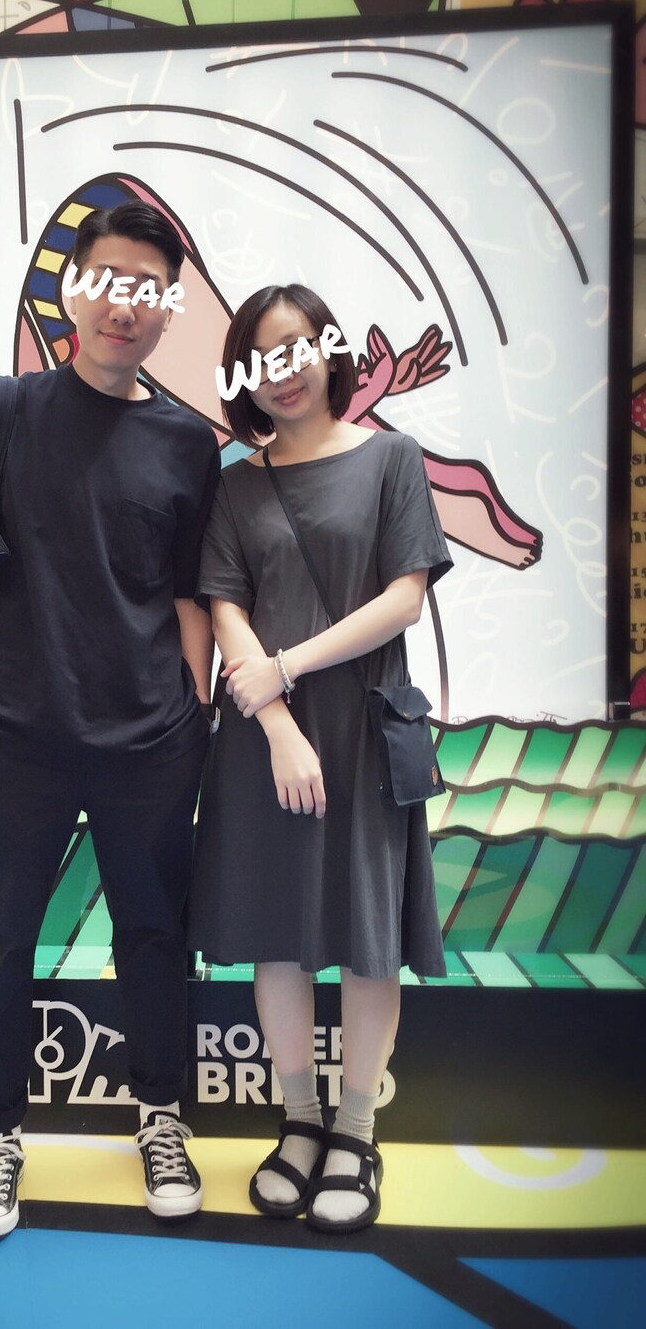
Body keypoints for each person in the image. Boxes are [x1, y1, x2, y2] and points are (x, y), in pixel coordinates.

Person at [0, 201, 221, 1240]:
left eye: (148, 289)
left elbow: (187, 592)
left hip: (148, 739)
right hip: (6, 732)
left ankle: (159, 1116)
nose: (126, 304)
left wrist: (194, 705)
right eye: (109, 280)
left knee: (157, 935)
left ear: (168, 309)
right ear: (74, 288)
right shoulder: (0, 409)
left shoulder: (189, 442)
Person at [188, 285, 452, 1233]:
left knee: (367, 936)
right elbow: (223, 605)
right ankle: (299, 1122)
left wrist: (287, 668)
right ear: (244, 376)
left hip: (362, 726)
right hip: (266, 738)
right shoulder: (234, 484)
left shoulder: (391, 458)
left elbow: (404, 599)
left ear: (328, 351)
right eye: (262, 357)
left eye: (297, 346)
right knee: (277, 932)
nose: (283, 370)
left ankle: (356, 1133)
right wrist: (276, 721)